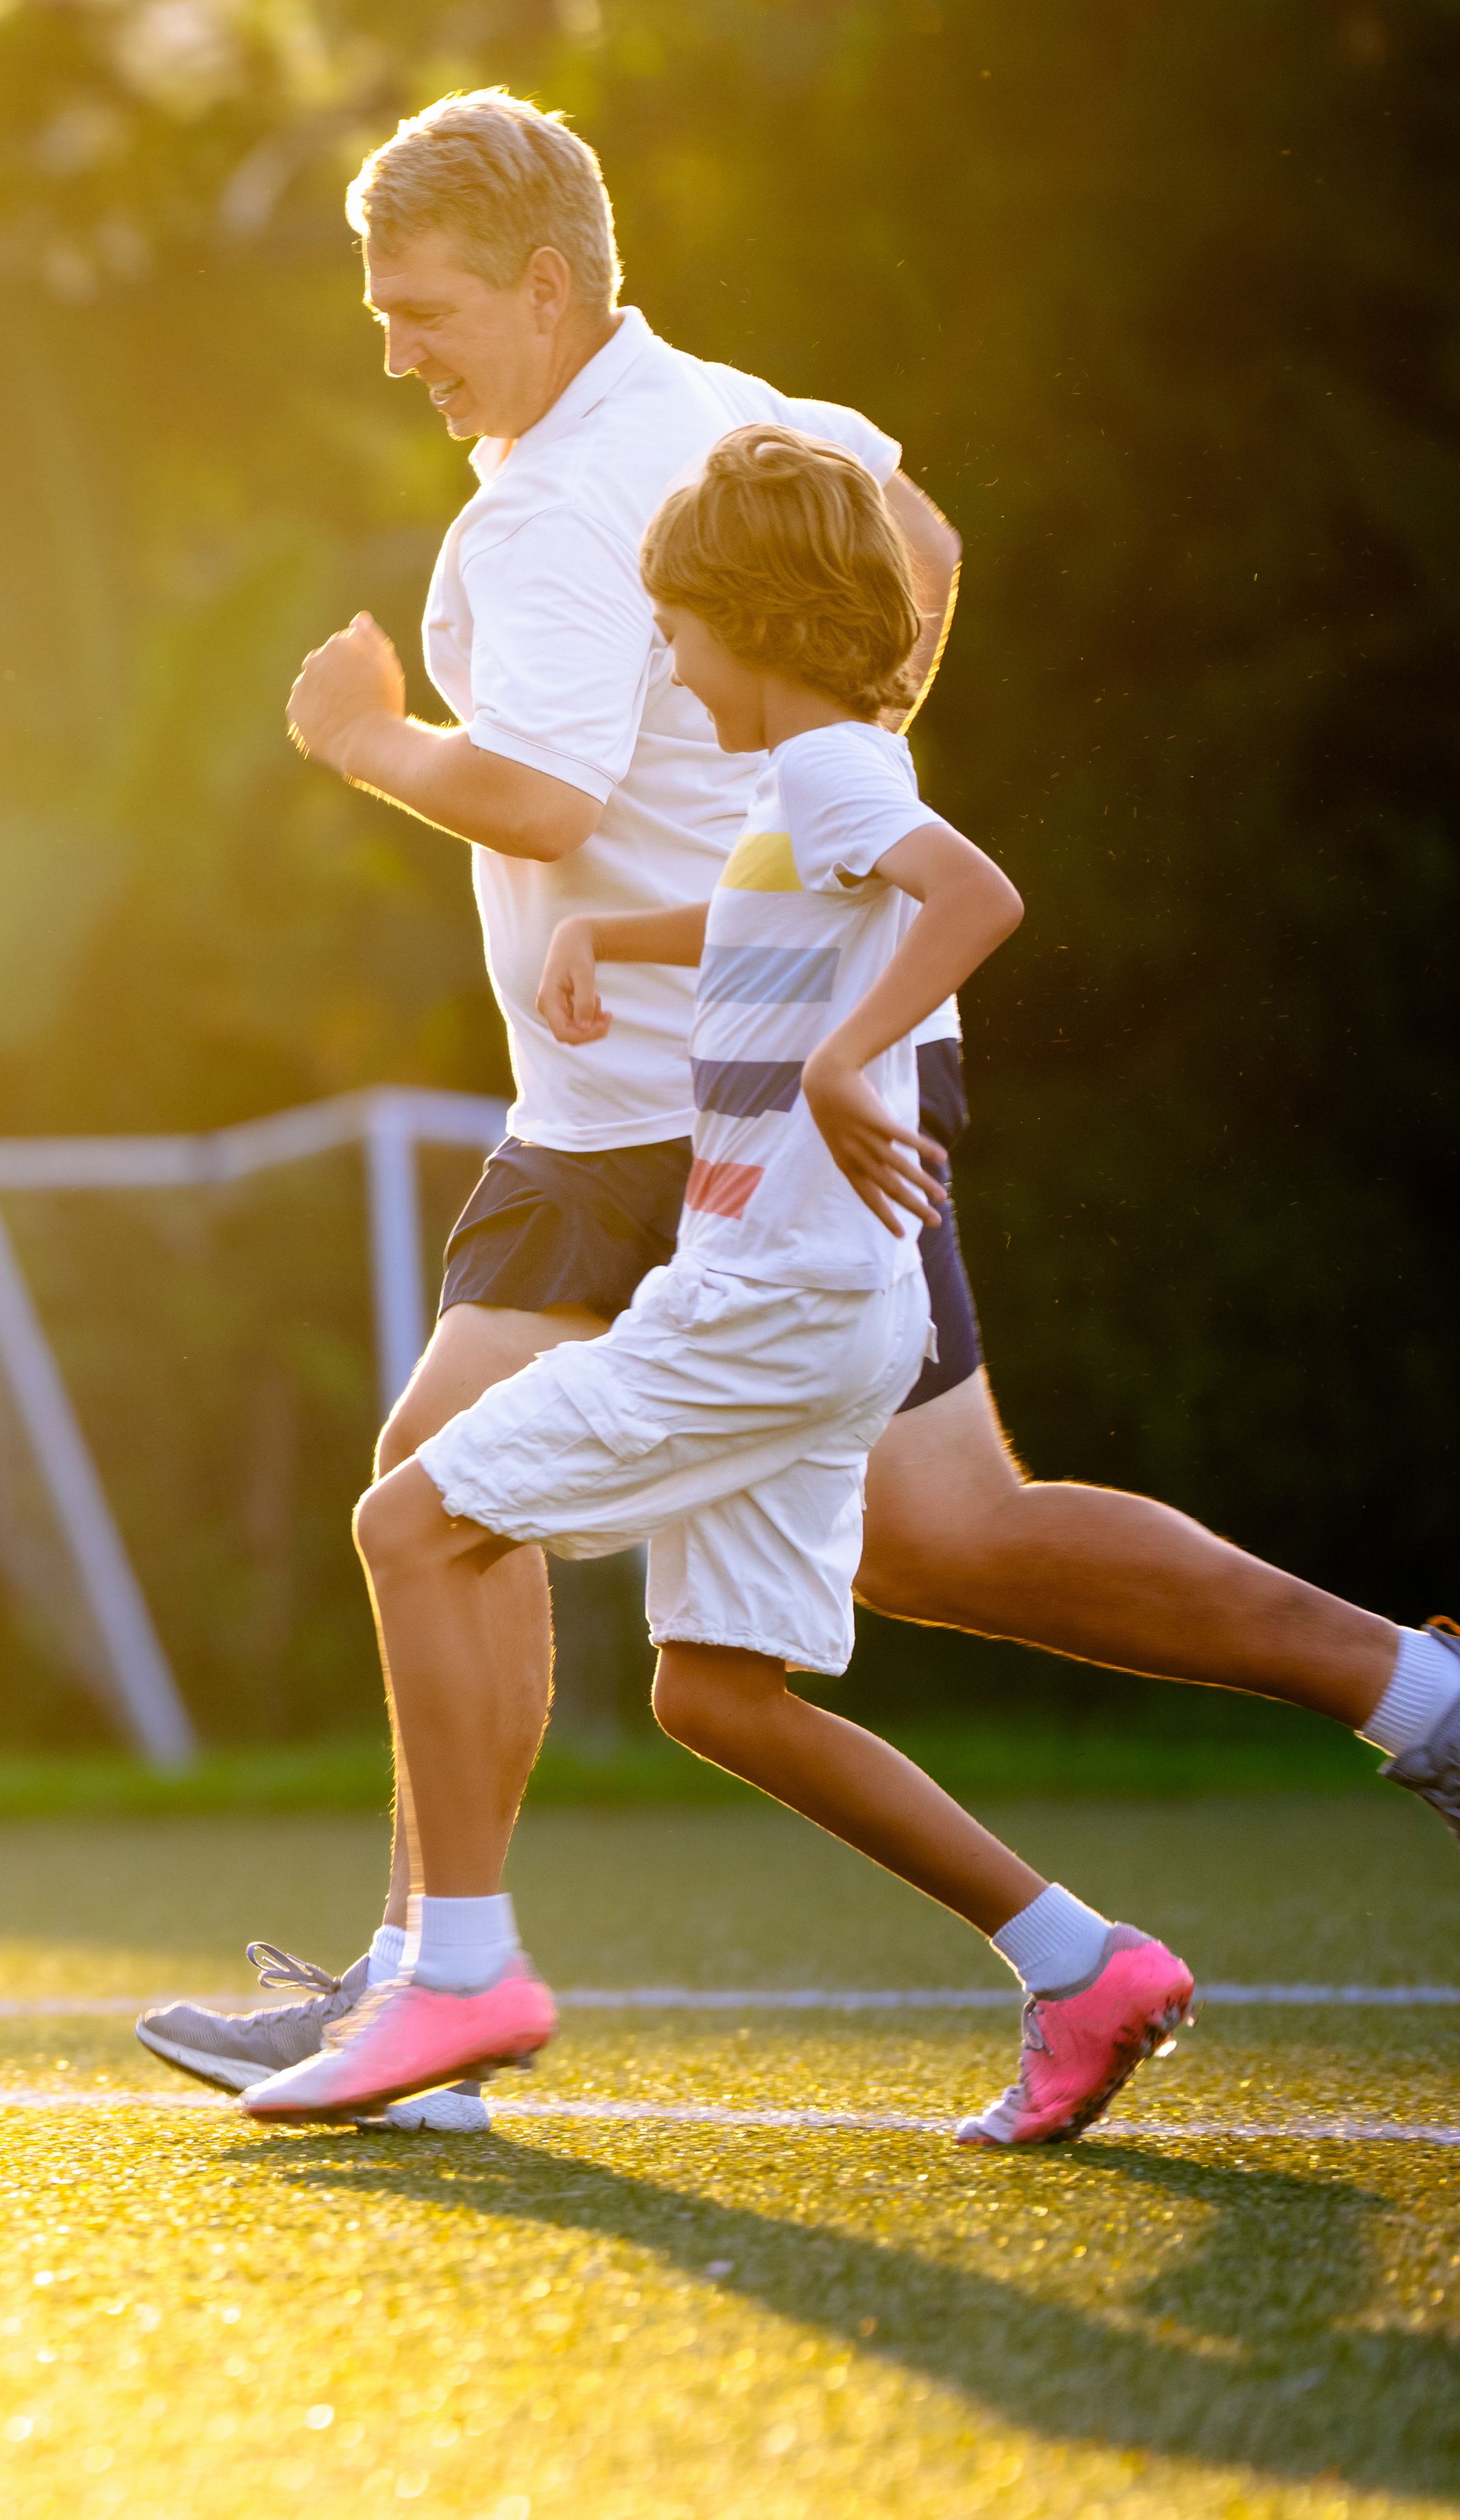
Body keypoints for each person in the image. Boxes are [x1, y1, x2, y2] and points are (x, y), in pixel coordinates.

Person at [135, 90, 1460, 2119]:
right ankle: (1432, 1698)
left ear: (547, 284)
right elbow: (925, 550)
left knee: (456, 1502)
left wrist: (364, 737)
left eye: (425, 307)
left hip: (673, 1116)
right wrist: (827, 818)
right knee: (919, 1536)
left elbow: (536, 792)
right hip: (687, 1082)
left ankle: (438, 1990)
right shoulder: (730, 402)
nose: (398, 350)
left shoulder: (550, 506)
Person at [245, 425, 1186, 2141]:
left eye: (679, 631)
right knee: (714, 1692)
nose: (670, 665)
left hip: (765, 1306)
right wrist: (620, 932)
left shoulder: (836, 771)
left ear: (749, 624)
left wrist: (847, 1059)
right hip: (824, 1307)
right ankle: (1082, 1963)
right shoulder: (805, 786)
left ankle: (455, 1976)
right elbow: (790, 909)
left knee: (409, 1522)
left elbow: (974, 894)